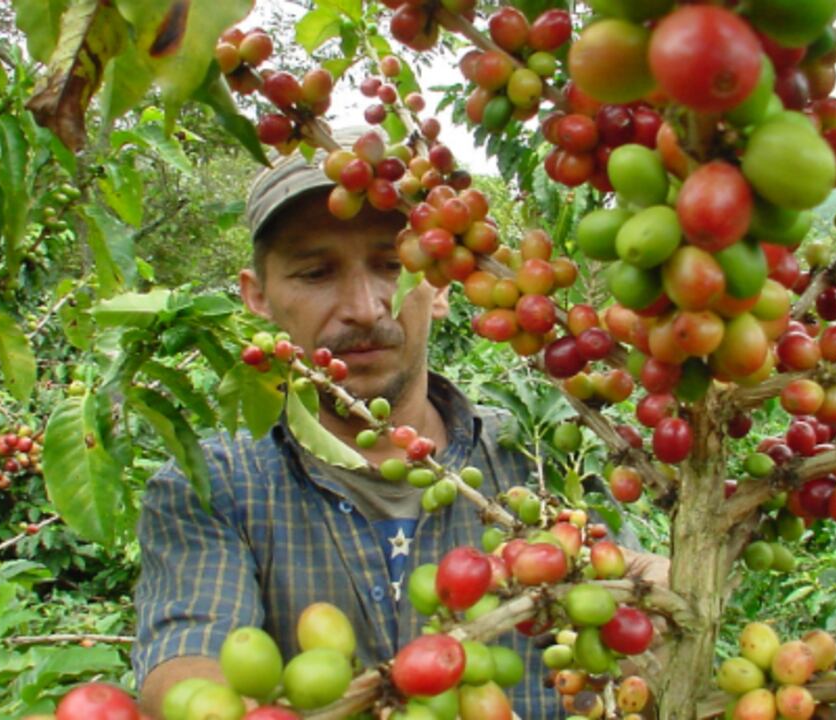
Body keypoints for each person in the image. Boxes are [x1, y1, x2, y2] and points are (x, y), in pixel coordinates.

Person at [132, 138, 669, 718]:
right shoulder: (215, 485)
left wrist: (654, 617)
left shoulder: (539, 461)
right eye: (315, 273)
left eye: (393, 266)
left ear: (440, 287)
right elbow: (188, 666)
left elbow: (633, 676)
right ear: (257, 297)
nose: (364, 307)